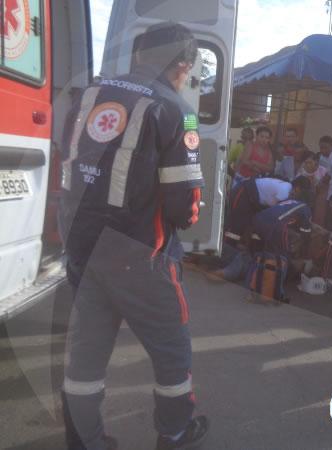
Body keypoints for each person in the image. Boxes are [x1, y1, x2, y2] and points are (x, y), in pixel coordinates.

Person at [59, 23, 208, 450]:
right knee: (172, 353)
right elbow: (185, 207)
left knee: (86, 356)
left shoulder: (87, 96)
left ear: (139, 54)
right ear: (182, 66)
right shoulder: (177, 110)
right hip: (142, 257)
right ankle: (175, 433)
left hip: (84, 252)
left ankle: (85, 441)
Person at [224, 176, 312, 246]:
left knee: (247, 227)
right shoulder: (285, 190)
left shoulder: (289, 192)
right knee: (235, 225)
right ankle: (223, 250)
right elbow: (275, 214)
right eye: (303, 192)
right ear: (297, 189)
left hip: (254, 201)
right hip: (244, 191)